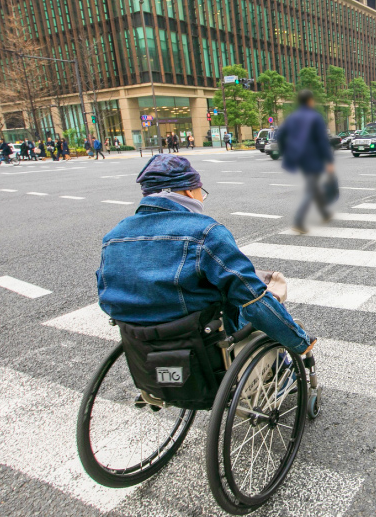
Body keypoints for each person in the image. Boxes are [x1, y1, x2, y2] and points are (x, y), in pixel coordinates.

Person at [96, 154, 317, 365]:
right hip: (204, 344)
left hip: (143, 350)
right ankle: (283, 374)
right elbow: (252, 298)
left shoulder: (113, 237)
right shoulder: (205, 233)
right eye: (201, 190)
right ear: (190, 192)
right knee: (263, 300)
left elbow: (107, 298)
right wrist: (299, 341)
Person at [276, 89, 335, 234]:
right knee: (311, 189)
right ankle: (298, 221)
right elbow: (322, 141)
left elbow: (280, 135)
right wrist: (329, 160)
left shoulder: (293, 117)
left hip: (299, 158)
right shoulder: (315, 117)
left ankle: (325, 214)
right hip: (313, 158)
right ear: (310, 101)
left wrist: (286, 152)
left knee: (313, 186)